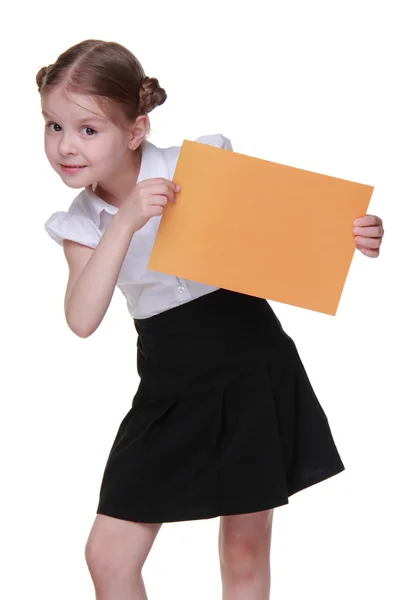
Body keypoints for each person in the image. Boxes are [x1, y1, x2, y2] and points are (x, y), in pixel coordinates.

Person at [37, 39, 384, 600]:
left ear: (134, 131)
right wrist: (123, 223)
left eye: (88, 130)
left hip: (250, 361)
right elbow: (81, 318)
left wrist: (354, 234)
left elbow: (283, 228)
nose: (65, 147)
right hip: (169, 385)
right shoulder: (81, 224)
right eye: (53, 127)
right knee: (107, 555)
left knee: (244, 548)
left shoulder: (194, 165)